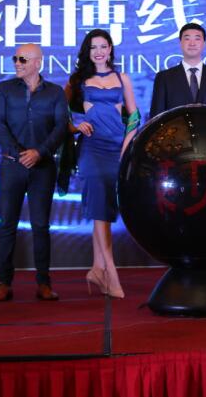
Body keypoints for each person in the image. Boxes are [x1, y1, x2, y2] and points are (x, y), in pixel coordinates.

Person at [0, 43, 68, 303]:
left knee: (41, 226)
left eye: (22, 59)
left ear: (37, 62)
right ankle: (3, 283)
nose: (17, 63)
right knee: (7, 225)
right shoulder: (4, 89)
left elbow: (60, 127)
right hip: (12, 165)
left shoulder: (55, 92)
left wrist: (40, 152)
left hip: (43, 167)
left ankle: (44, 283)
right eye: (15, 58)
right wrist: (20, 153)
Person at [65, 29, 139, 300]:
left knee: (105, 210)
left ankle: (97, 269)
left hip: (116, 149)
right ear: (87, 51)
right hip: (92, 150)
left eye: (103, 46)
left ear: (110, 50)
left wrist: (125, 148)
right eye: (93, 47)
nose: (98, 52)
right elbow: (60, 115)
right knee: (99, 209)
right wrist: (76, 125)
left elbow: (134, 116)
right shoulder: (78, 80)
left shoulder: (122, 78)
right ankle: (110, 271)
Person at [149, 22, 206, 116]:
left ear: (204, 43)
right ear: (180, 43)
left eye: (197, 39)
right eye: (187, 39)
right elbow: (156, 117)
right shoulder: (164, 78)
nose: (192, 43)